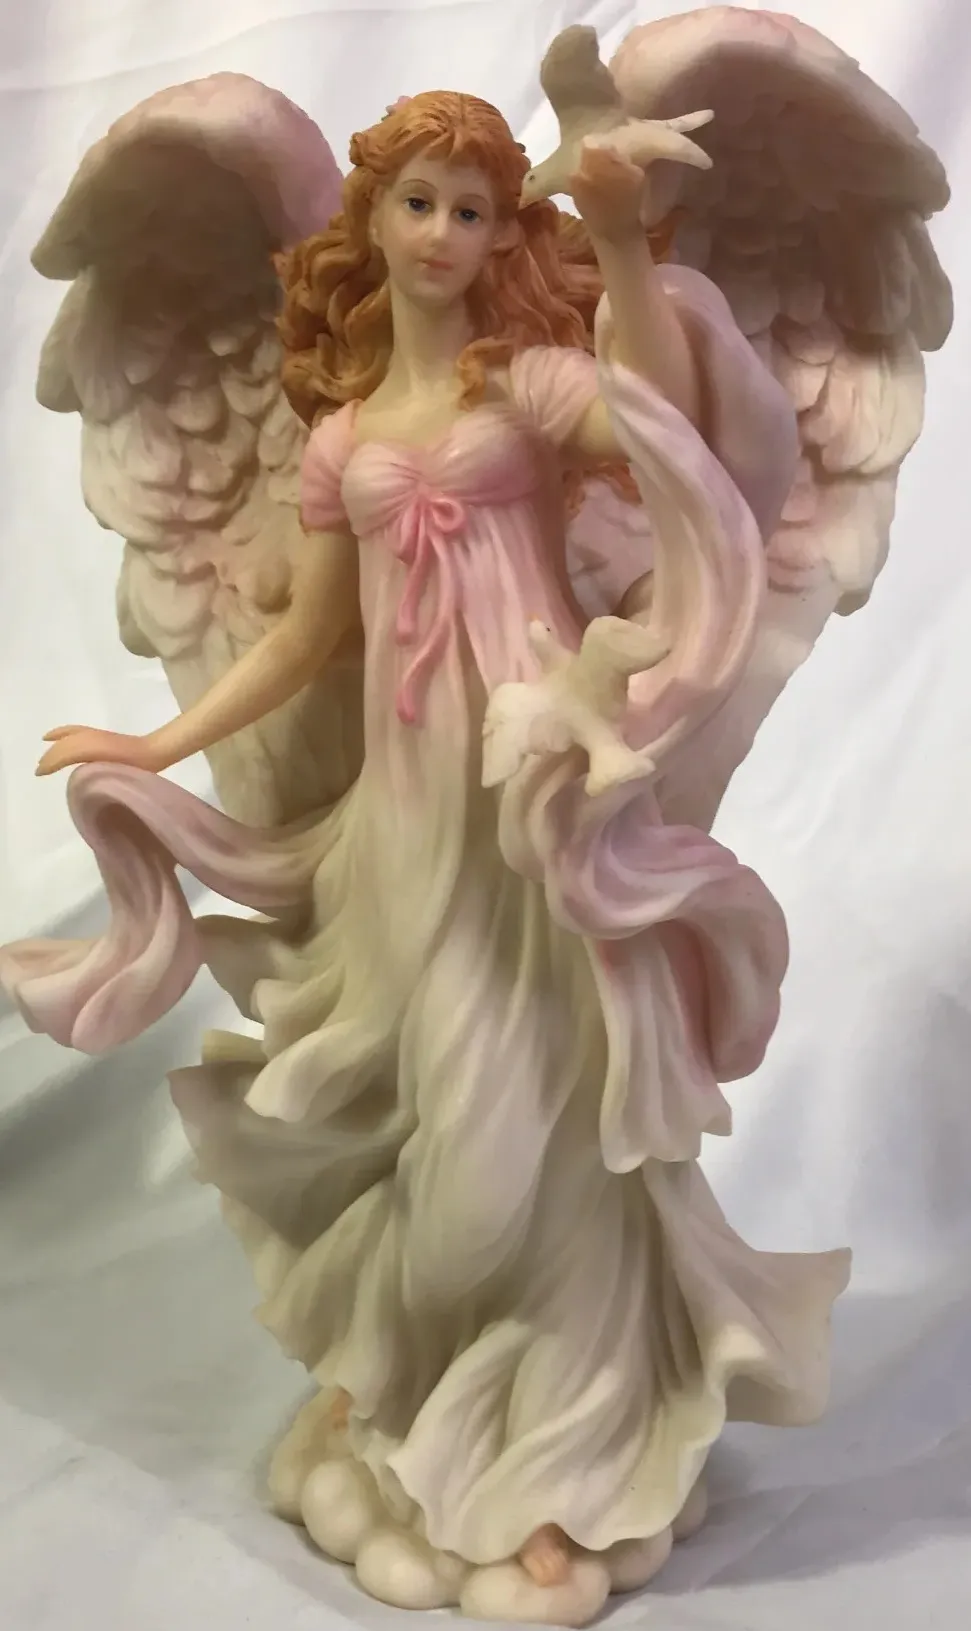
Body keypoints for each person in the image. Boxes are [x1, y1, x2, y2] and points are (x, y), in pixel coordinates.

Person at [6, 91, 849, 1607]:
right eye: (421, 202)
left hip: (536, 791)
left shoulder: (525, 385)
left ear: (498, 231)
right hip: (409, 811)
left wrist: (618, 245)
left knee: (559, 1109)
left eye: (474, 208)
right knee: (431, 1112)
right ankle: (430, 1393)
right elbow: (302, 643)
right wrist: (158, 747)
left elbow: (659, 427)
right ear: (373, 222)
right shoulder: (338, 443)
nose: (446, 233)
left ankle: (564, 1450)